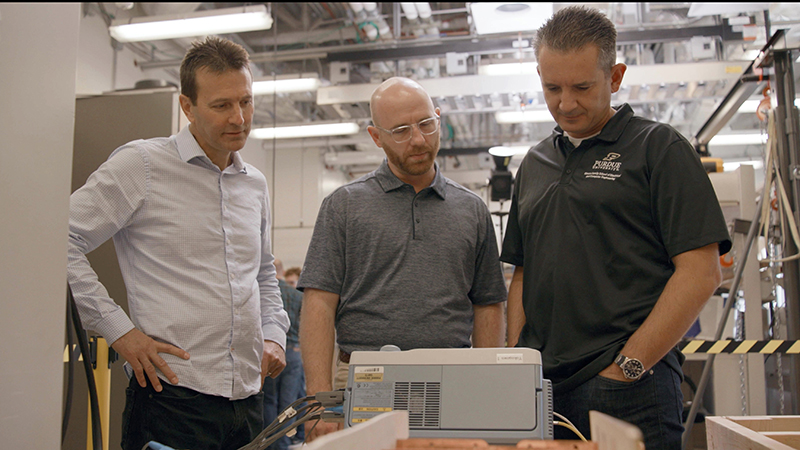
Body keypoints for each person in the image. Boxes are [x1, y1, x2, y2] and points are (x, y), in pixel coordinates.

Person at [500, 6, 732, 450]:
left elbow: (702, 273)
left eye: (582, 87)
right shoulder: (534, 164)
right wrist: (518, 363)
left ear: (616, 76)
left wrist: (630, 365)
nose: (565, 103)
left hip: (630, 386)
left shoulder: (657, 148)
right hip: (543, 389)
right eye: (552, 87)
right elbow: (523, 274)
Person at [67, 36, 290, 450]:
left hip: (246, 400)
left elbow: (261, 272)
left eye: (245, 101)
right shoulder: (143, 165)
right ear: (187, 106)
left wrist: (275, 333)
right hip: (172, 398)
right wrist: (119, 331)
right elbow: (60, 238)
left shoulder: (254, 184)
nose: (239, 117)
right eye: (221, 105)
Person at [298, 77, 508, 441]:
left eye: (426, 124)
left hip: (453, 380)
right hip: (364, 382)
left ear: (439, 119)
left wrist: (485, 383)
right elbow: (319, 304)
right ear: (376, 137)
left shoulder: (471, 210)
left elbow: (488, 304)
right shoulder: (344, 206)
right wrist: (321, 400)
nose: (418, 140)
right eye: (400, 130)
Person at [262, 259, 305, 449]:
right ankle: (285, 443)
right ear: (283, 271)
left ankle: (271, 444)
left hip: (270, 351)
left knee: (269, 400)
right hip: (294, 353)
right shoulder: (297, 295)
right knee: (288, 403)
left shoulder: (264, 295)